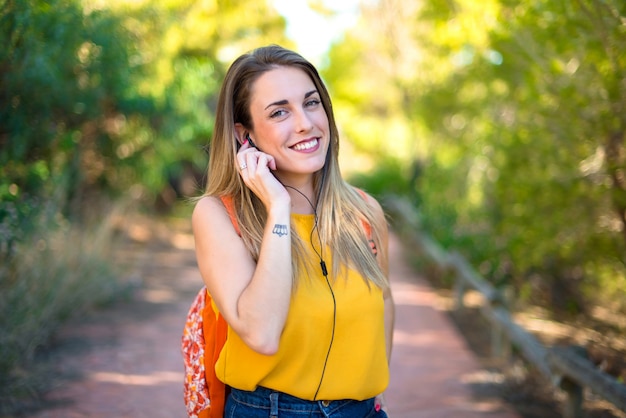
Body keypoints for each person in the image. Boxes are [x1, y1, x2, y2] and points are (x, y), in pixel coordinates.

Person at [192, 44, 394, 417]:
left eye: (312, 103)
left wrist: (370, 393)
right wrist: (278, 209)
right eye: (279, 111)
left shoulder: (364, 212)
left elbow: (383, 302)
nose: (304, 122)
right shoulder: (219, 215)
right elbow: (262, 334)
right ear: (244, 134)